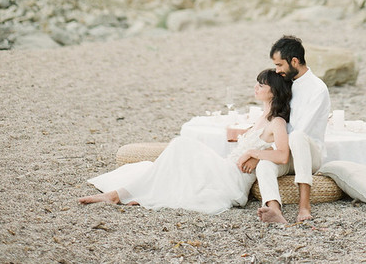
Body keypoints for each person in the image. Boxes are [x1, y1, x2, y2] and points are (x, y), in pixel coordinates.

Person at [78, 69, 292, 215]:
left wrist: (253, 154)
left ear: (274, 91)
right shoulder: (261, 117)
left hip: (233, 179)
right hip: (227, 167)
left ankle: (119, 195)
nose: (256, 87)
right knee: (179, 155)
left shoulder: (277, 121)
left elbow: (282, 155)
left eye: (261, 85)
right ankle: (126, 193)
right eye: (257, 83)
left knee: (183, 145)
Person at [241, 35, 330, 224]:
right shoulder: (289, 82)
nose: (277, 70)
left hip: (309, 153)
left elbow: (301, 131)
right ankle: (274, 209)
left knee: (297, 136)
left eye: (280, 65)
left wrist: (261, 152)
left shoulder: (317, 89)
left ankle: (304, 206)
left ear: (294, 61)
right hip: (286, 153)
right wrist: (263, 153)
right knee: (265, 165)